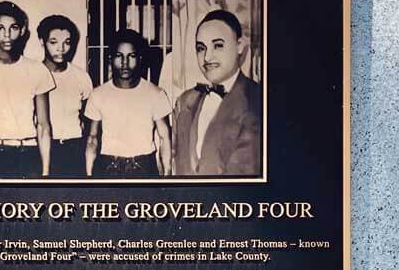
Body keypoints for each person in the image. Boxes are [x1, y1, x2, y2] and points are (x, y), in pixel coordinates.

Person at [171, 9, 262, 177]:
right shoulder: (184, 101)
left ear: (239, 46)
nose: (207, 57)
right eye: (200, 48)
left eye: (218, 45)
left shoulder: (259, 100)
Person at [0, 0, 54, 178]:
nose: (7, 35)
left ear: (23, 30)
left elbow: (43, 126)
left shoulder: (36, 70)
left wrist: (45, 172)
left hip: (25, 154)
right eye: (0, 28)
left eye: (13, 28)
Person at [84, 30, 172, 178]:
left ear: (140, 58)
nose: (125, 63)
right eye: (119, 56)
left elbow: (165, 138)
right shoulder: (97, 94)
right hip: (108, 168)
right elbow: (92, 138)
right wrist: (89, 176)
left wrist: (167, 176)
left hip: (144, 168)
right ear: (111, 58)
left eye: (131, 56)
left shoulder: (156, 94)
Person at [36, 13, 93, 178]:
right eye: (54, 42)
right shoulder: (32, 74)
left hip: (74, 149)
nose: (61, 48)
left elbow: (89, 121)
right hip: (40, 149)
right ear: (42, 41)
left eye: (67, 43)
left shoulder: (81, 77)